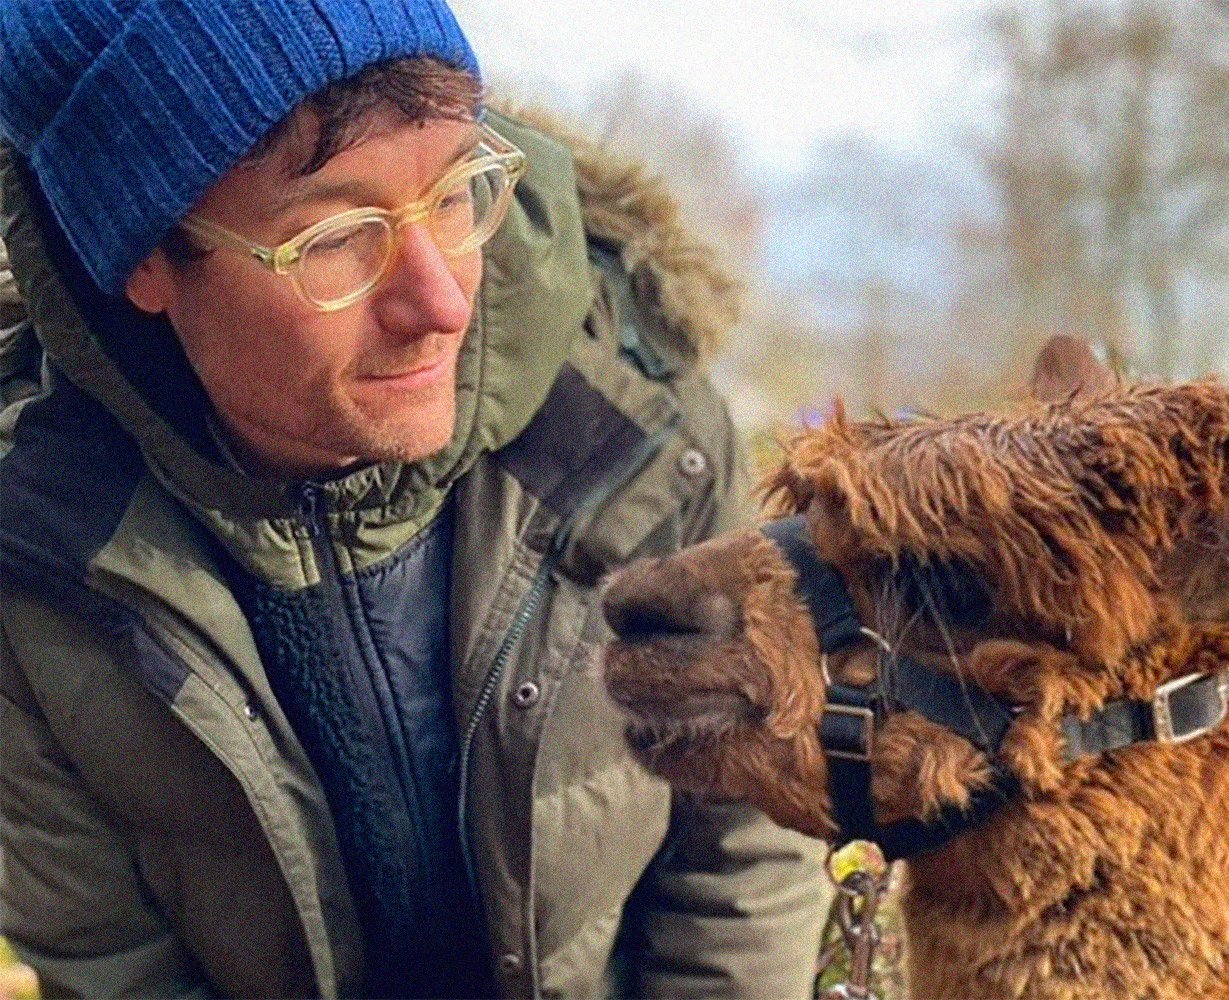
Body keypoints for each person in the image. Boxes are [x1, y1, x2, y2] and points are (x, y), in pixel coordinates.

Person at [0, 1, 830, 996]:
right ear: (143, 260)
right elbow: (113, 969)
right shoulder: (33, 558)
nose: (440, 301)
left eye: (454, 194)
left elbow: (741, 865)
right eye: (338, 237)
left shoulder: (637, 422)